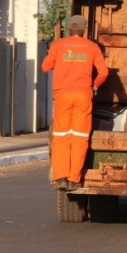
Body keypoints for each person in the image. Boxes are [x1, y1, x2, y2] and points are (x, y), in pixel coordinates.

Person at [42, 15, 109, 192]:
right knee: (79, 137)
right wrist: (94, 85)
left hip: (63, 95)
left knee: (61, 136)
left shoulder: (58, 45)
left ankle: (61, 178)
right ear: (84, 29)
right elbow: (104, 72)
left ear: (69, 29)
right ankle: (74, 179)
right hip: (83, 96)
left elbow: (45, 67)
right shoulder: (92, 47)